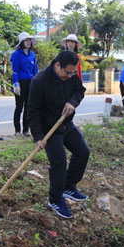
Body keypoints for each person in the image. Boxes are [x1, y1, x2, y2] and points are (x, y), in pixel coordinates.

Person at [28, 50, 90, 219]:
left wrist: (72, 102)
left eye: (73, 72)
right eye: (68, 72)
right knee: (59, 162)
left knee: (83, 152)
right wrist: (38, 137)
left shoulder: (71, 76)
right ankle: (55, 199)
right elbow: (32, 112)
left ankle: (69, 187)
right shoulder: (39, 81)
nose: (70, 76)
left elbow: (80, 90)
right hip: (50, 129)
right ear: (57, 65)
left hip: (65, 124)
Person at [11, 32, 38, 137]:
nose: (28, 42)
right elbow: (15, 70)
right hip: (20, 82)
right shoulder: (16, 54)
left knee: (28, 106)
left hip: (30, 82)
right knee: (19, 106)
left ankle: (26, 129)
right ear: (22, 42)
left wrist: (36, 82)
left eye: (29, 40)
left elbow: (35, 70)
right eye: (26, 40)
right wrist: (16, 83)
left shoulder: (32, 54)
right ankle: (17, 130)